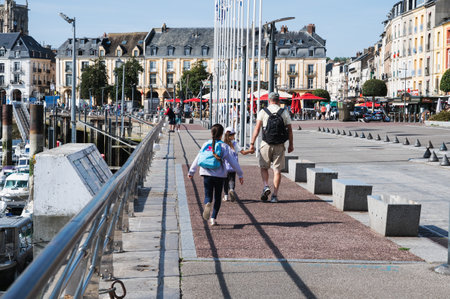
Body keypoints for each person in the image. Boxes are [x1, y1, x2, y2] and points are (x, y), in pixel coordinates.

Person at [188, 124, 244, 226]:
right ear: (221, 134)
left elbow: (198, 158)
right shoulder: (224, 146)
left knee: (208, 194)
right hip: (219, 174)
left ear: (211, 133)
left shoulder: (206, 144)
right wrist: (240, 174)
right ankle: (213, 218)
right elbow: (233, 162)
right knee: (218, 197)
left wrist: (191, 171)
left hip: (206, 173)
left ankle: (207, 203)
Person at [249, 92, 294, 203]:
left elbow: (257, 128)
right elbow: (290, 130)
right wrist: (291, 145)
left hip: (266, 144)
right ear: (279, 101)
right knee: (277, 170)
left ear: (269, 100)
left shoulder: (263, 112)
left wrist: (252, 143)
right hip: (279, 144)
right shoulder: (284, 112)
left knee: (264, 167)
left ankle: (265, 186)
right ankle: (274, 195)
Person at [222, 127, 254, 202]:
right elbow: (243, 152)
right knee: (232, 180)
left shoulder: (223, 144)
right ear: (232, 135)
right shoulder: (235, 144)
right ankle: (232, 189)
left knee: (225, 181)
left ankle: (226, 196)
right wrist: (250, 151)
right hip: (233, 166)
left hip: (224, 167)